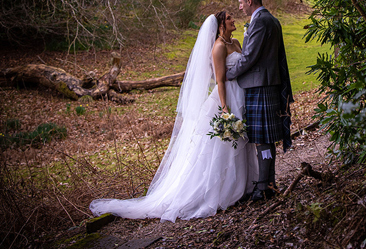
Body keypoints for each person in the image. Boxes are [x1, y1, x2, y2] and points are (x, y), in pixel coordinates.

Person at [89, 12, 258, 222]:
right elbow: (220, 81)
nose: (234, 20)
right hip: (226, 98)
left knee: (241, 139)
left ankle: (244, 185)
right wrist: (225, 108)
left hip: (240, 93)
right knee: (223, 146)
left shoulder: (235, 42)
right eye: (230, 18)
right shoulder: (218, 47)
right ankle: (223, 190)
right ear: (221, 24)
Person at [226, 0, 294, 201]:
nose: (239, 6)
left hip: (260, 85)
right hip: (265, 83)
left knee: (263, 140)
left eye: (240, 2)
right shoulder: (270, 19)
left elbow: (250, 57)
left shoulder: (261, 20)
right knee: (265, 139)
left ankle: (264, 187)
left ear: (249, 1)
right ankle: (268, 183)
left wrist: (229, 74)